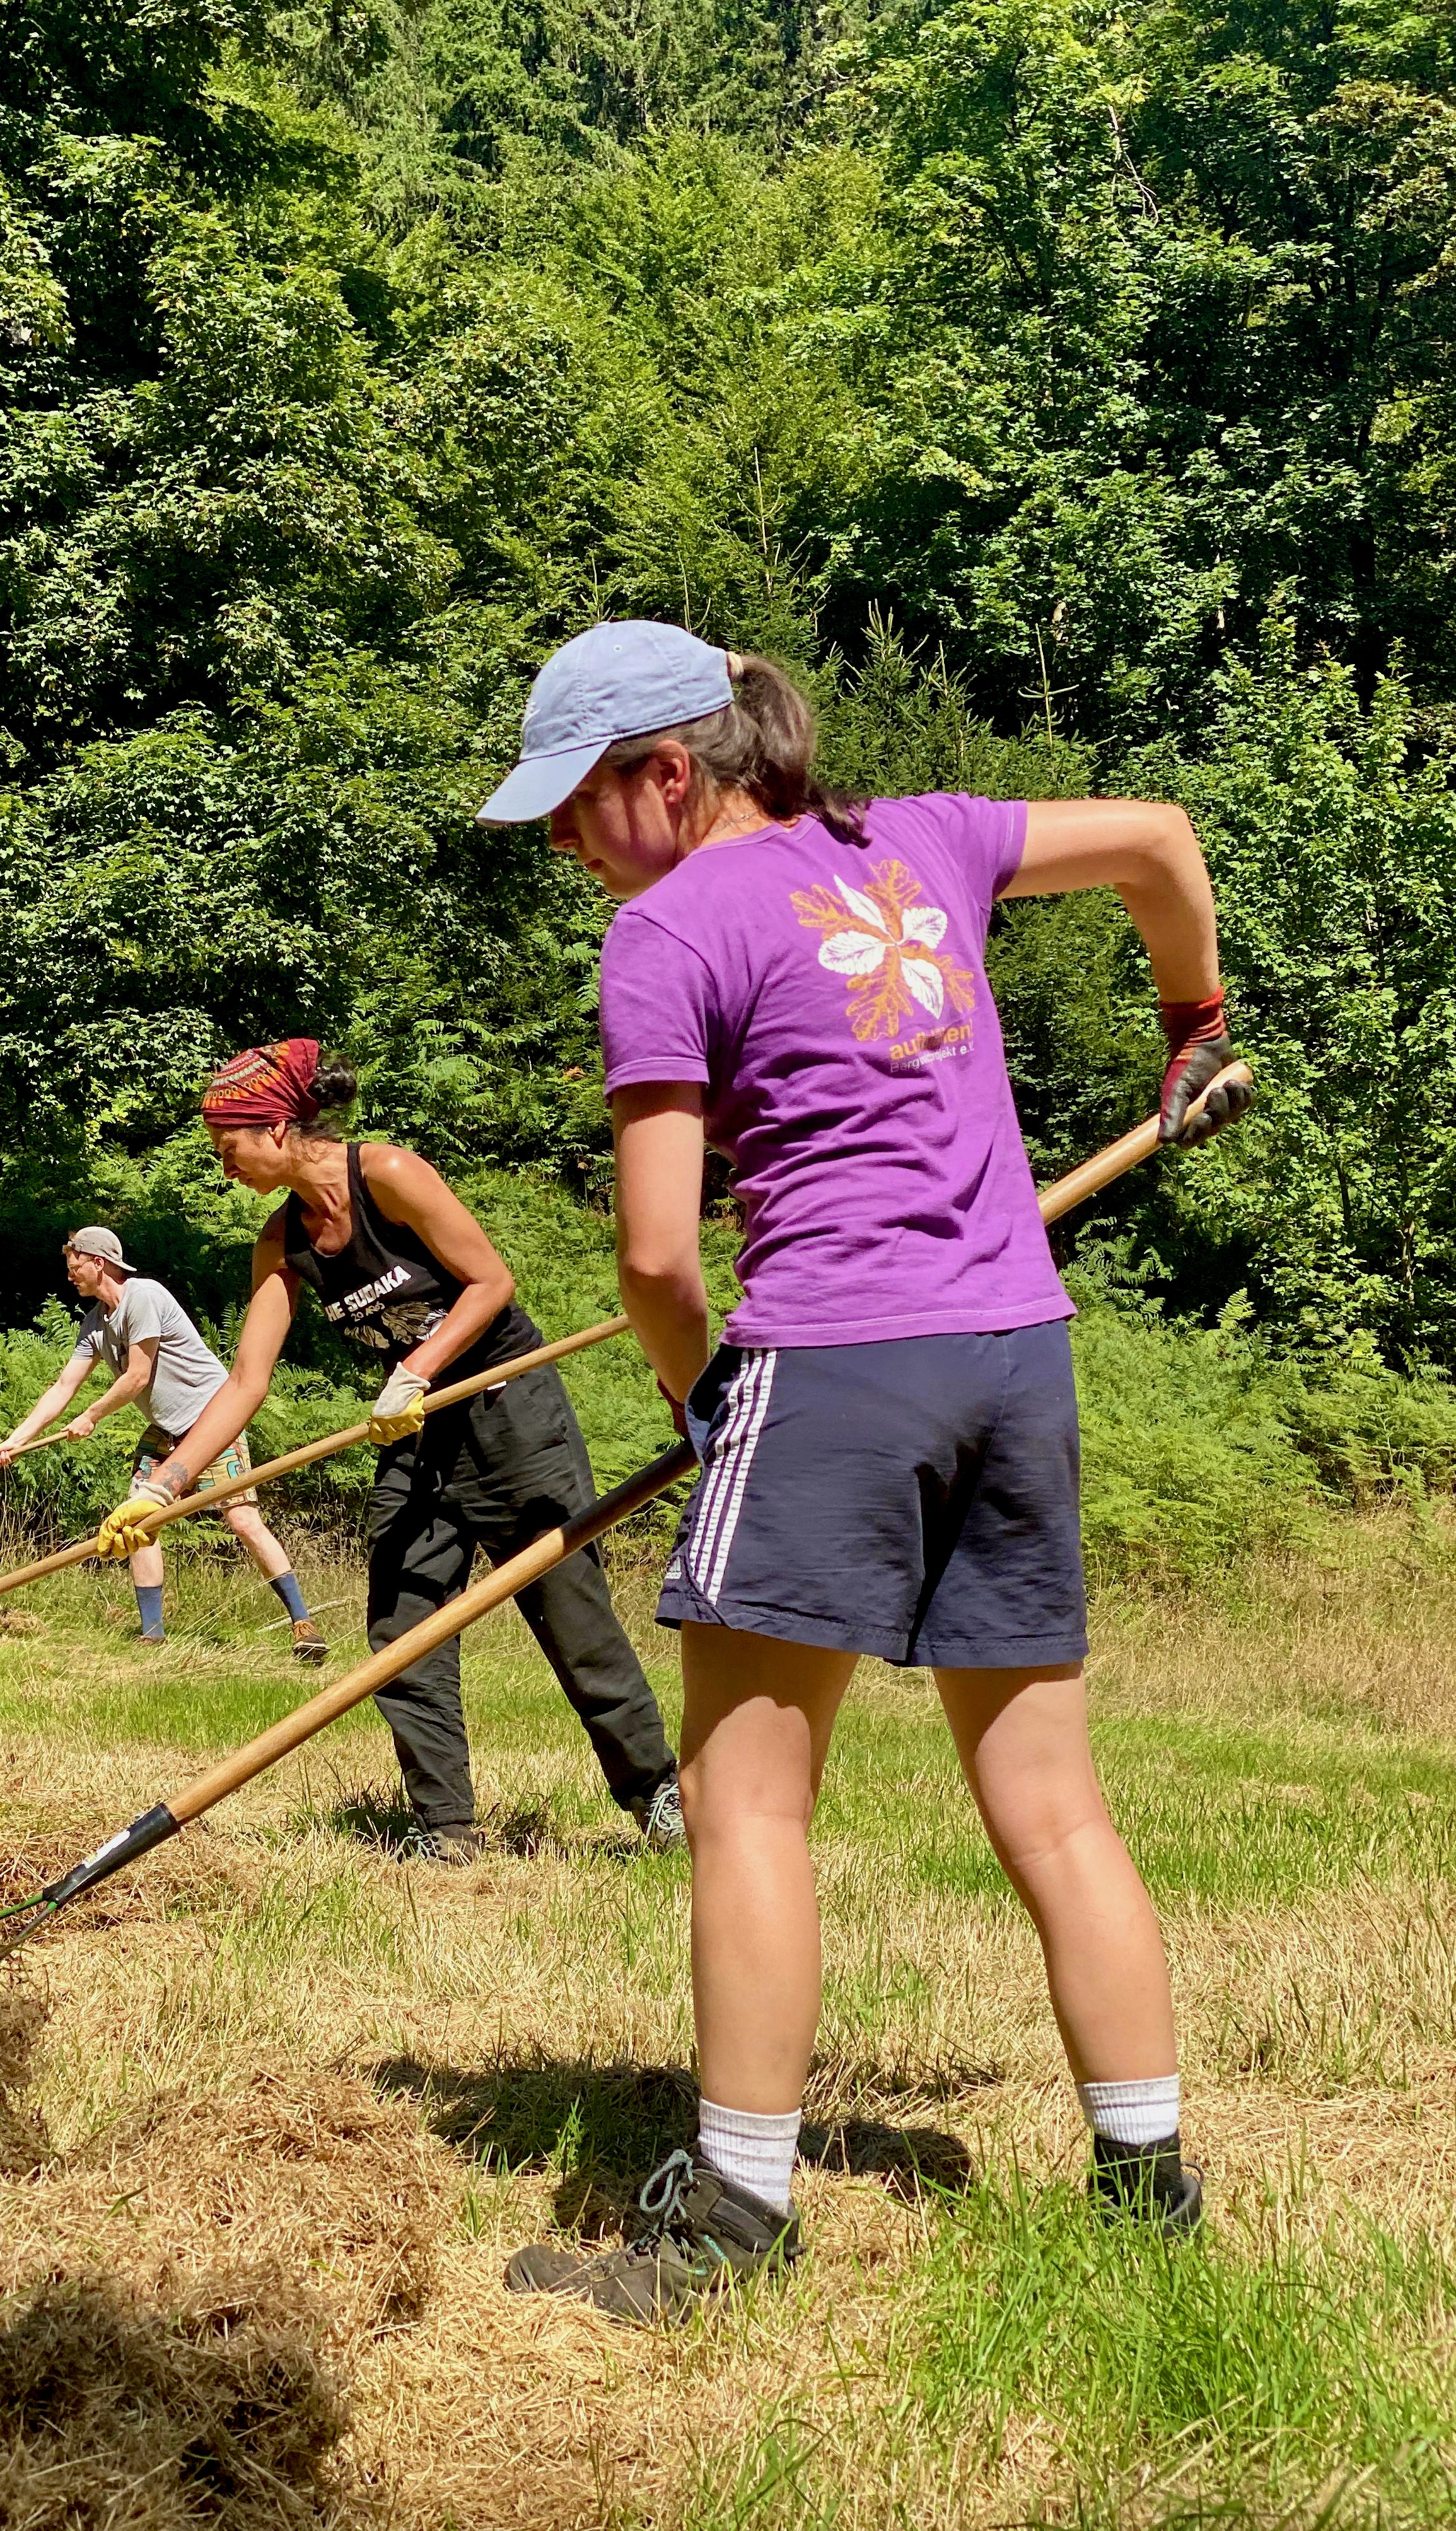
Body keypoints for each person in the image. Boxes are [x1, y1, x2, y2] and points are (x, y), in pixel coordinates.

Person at [475, 620, 1252, 2321]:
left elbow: (660, 1266)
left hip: (827, 1358)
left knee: (751, 1805)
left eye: (574, 808)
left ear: (668, 775)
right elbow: (1165, 844)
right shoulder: (932, 838)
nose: (564, 846)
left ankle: (734, 2223)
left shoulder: (665, 930)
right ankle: (1149, 2193)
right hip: (1013, 1358)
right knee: (1053, 1805)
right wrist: (1190, 1018)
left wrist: (702, 1411)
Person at [92, 1044, 686, 1862]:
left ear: (274, 1127)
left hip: (509, 1414)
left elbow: (490, 1283)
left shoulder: (392, 1176)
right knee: (402, 1629)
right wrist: (164, 1488)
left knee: (573, 1619)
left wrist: (415, 1367)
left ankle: (658, 1797)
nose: (223, 1166)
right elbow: (245, 1384)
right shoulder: (284, 1242)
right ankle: (446, 1832)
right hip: (416, 1436)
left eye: (227, 1148)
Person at [0, 1225, 327, 1662]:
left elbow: (137, 1376)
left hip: (213, 1420)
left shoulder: (143, 1296)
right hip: (165, 1431)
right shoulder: (95, 1324)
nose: (70, 1276)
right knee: (138, 1521)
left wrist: (92, 1416)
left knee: (242, 1520)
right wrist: (13, 1443)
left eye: (74, 1267)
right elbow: (62, 1386)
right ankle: (152, 1636)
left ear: (98, 1262)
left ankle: (303, 1624)